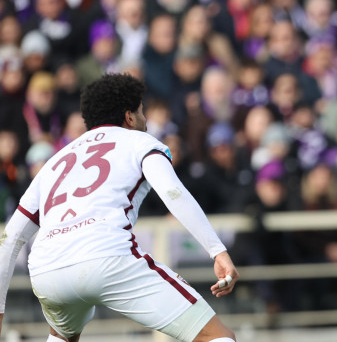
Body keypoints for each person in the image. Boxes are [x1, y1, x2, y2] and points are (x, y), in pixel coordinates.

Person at [0, 73, 239, 341]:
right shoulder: (142, 142)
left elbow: (9, 239)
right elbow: (173, 192)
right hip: (108, 257)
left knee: (63, 335)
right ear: (129, 117)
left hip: (47, 271)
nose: (145, 119)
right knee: (218, 336)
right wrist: (217, 251)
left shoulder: (53, 162)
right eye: (142, 111)